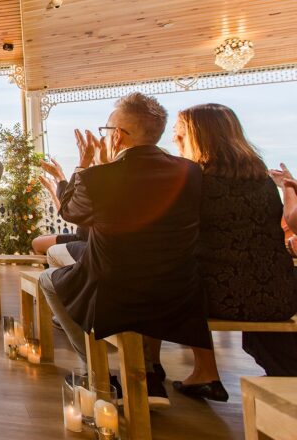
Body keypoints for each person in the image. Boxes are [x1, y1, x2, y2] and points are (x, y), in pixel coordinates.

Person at [38, 92, 212, 407]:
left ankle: (97, 372)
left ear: (118, 136)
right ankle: (147, 375)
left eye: (107, 130)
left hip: (113, 290)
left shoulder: (101, 177)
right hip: (178, 289)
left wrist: (84, 166)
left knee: (48, 279)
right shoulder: (191, 172)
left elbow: (71, 213)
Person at [165, 104, 297, 399]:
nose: (175, 140)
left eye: (180, 134)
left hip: (219, 298)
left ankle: (196, 371)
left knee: (172, 279)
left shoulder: (192, 179)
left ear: (200, 137)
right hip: (279, 296)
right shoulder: (261, 179)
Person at [32, 157, 88, 267]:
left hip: (85, 238)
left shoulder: (91, 185)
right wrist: (53, 189)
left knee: (36, 243)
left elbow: (68, 211)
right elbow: (65, 210)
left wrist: (59, 176)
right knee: (38, 240)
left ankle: (54, 274)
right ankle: (53, 270)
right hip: (81, 234)